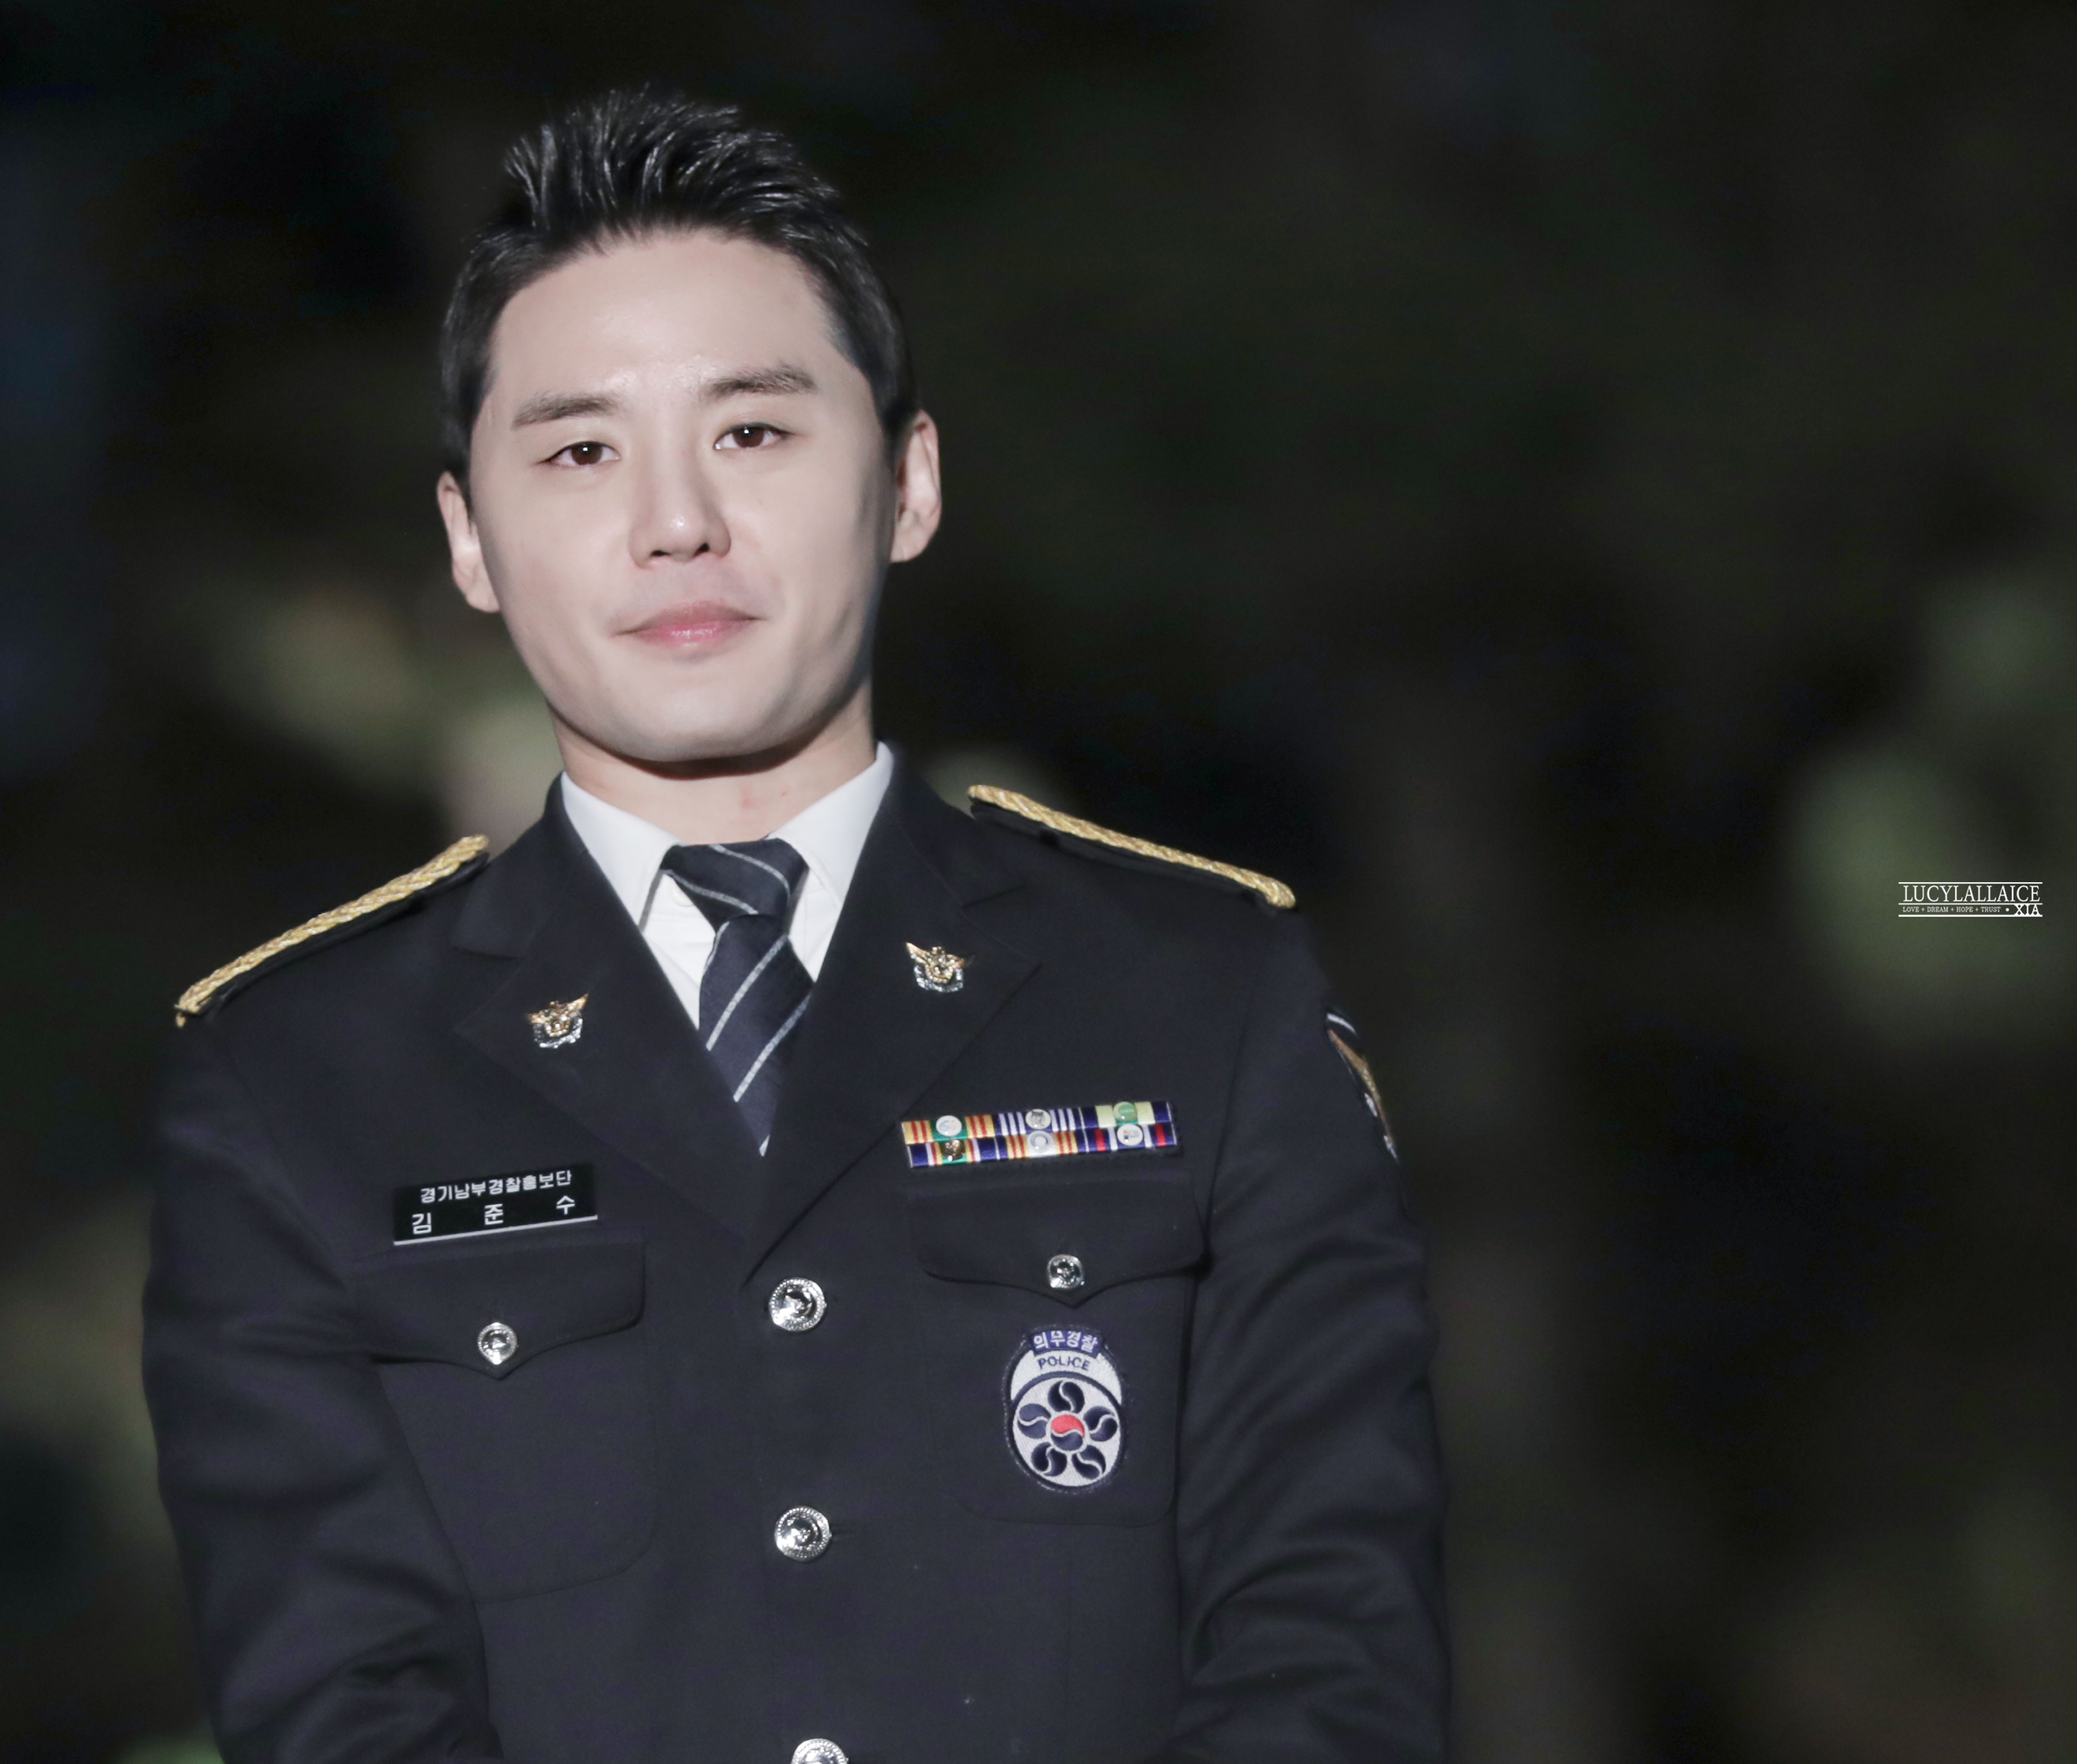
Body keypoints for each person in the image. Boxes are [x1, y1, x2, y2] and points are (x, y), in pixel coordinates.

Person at [143, 89, 1446, 1764]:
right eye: (581, 451)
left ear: (908, 483)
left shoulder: (1200, 996)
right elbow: (340, 1709)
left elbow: (1328, 1649)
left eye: (753, 433)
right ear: (470, 542)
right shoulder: (296, 1081)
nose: (675, 521)